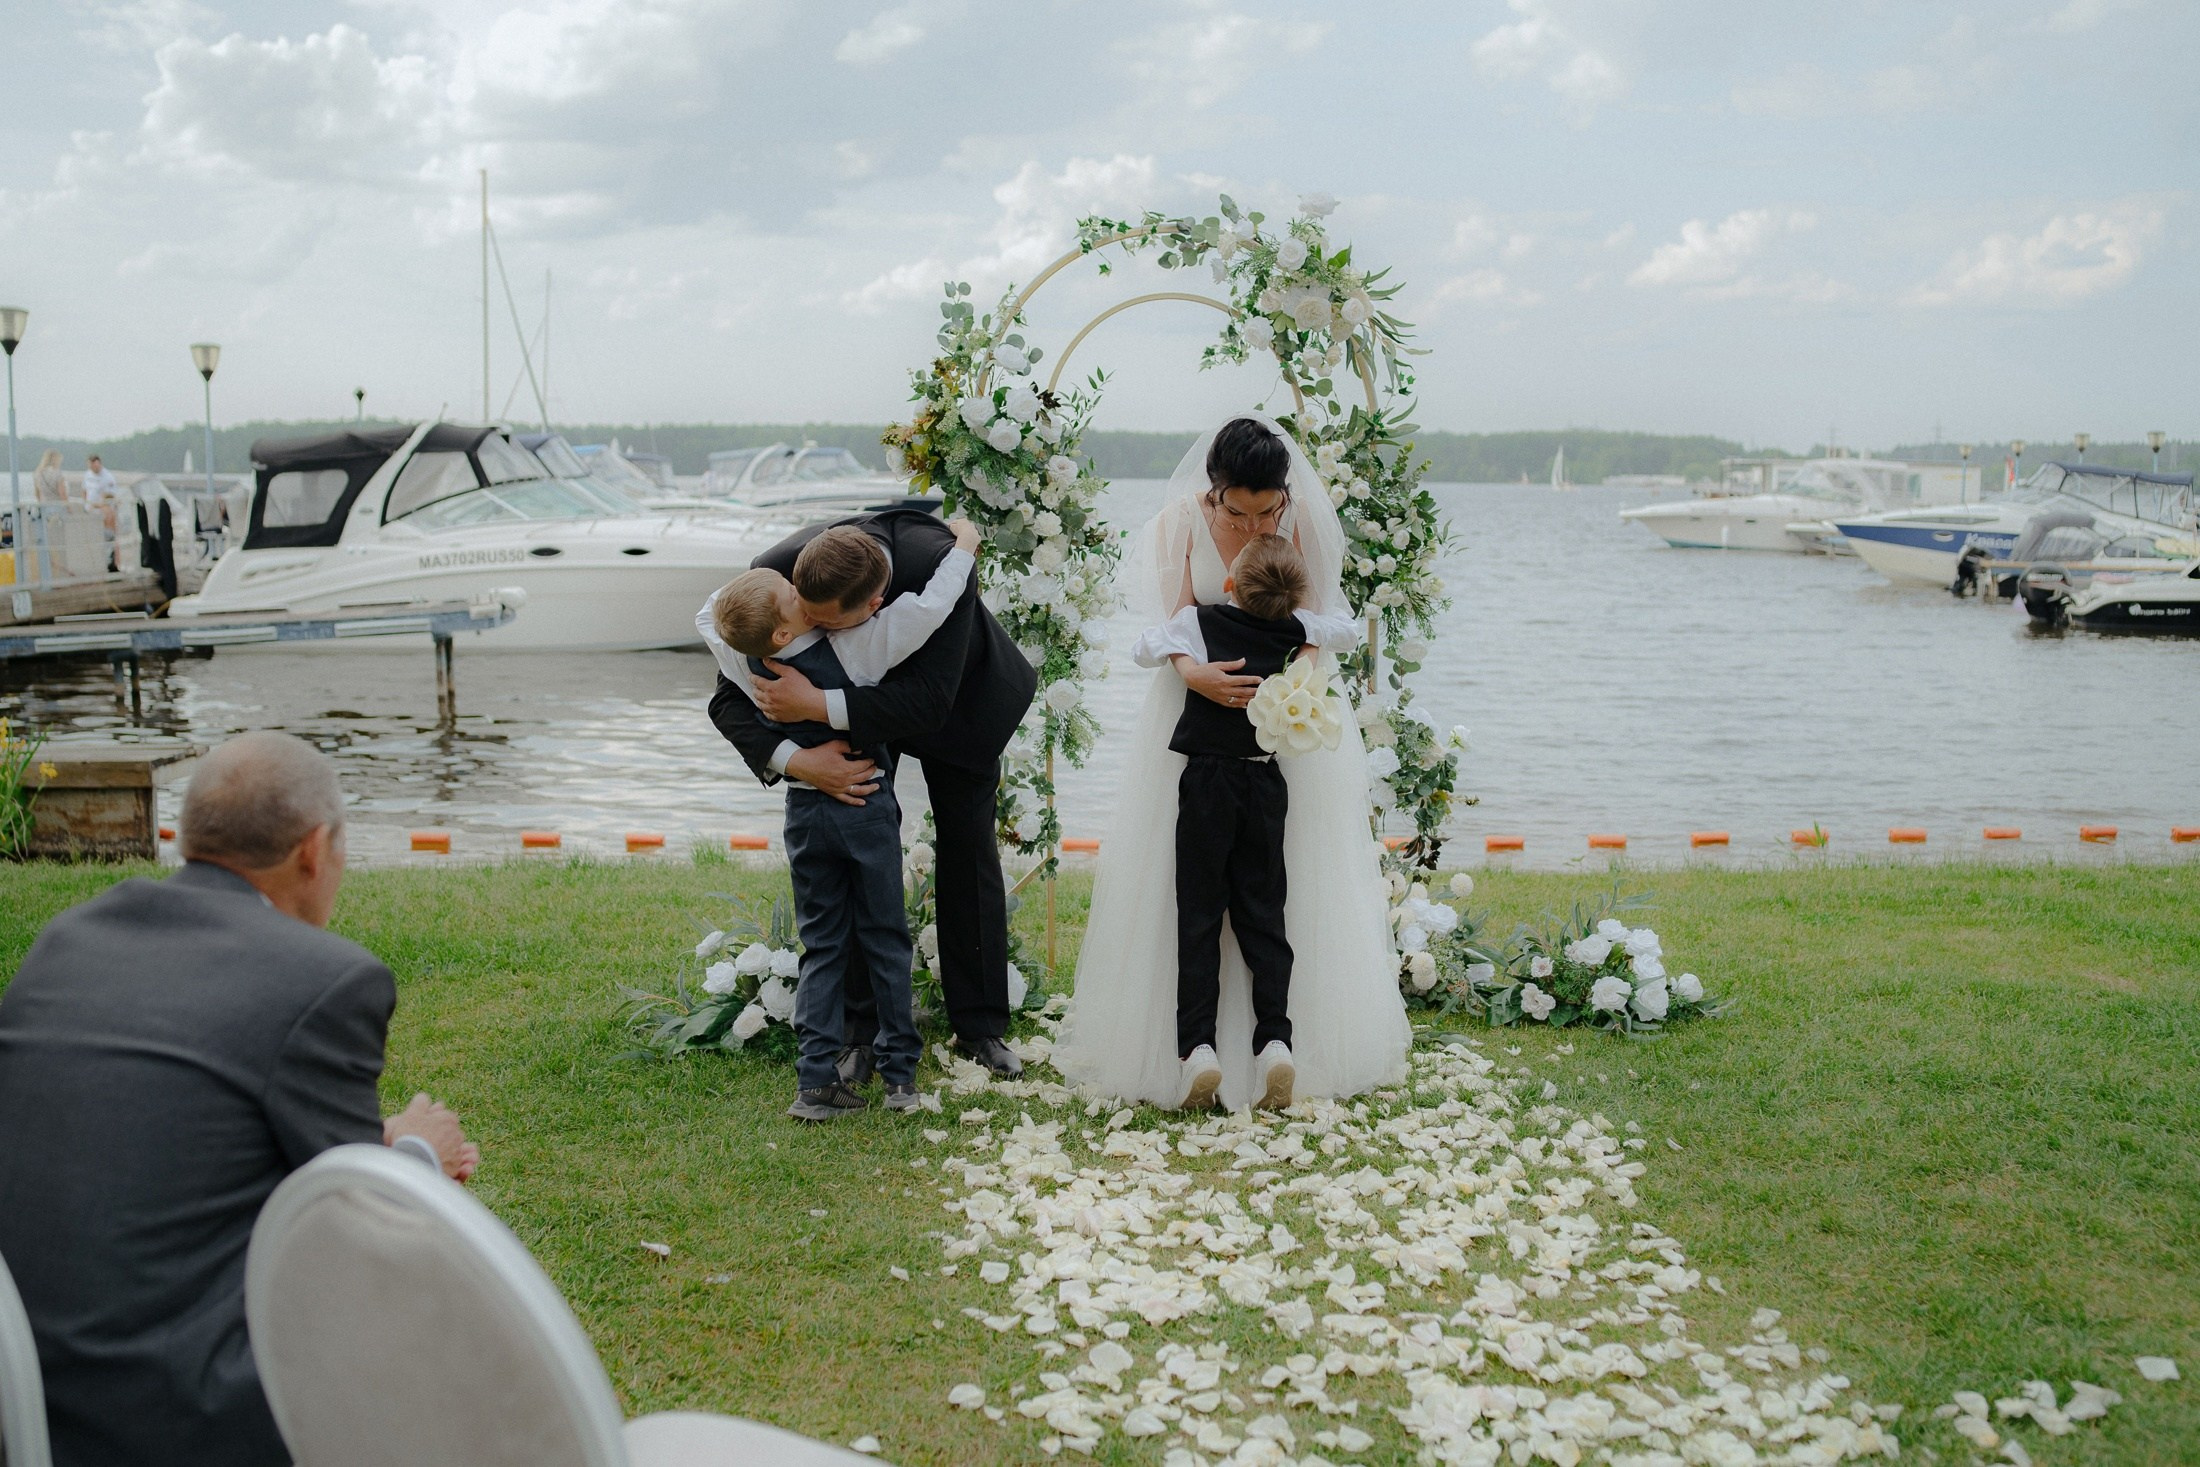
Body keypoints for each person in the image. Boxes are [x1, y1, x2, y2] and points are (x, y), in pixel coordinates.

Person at [0, 731, 480, 1467]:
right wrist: (416, 1155)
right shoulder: (324, 978)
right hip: (180, 1415)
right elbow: (355, 1237)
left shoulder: (68, 940)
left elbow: (160, 1129)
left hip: (24, 1388)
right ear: (314, 850)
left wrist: (368, 1145)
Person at [1053, 415, 1412, 1110]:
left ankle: (1273, 1045)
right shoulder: (1178, 524)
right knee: (1199, 892)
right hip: (1198, 713)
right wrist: (1195, 675)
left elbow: (1318, 622)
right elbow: (1171, 623)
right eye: (1237, 513)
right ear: (1213, 491)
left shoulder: (1302, 522)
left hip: (1283, 723)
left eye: (1266, 513)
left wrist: (1290, 684)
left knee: (1275, 889)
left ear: (1285, 496)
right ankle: (1202, 1048)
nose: (1253, 528)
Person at [707, 505, 1038, 1081]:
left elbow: (928, 701)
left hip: (960, 704)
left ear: (873, 606)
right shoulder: (774, 579)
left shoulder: (940, 566)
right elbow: (728, 700)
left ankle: (980, 1026)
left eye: (828, 625)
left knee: (967, 849)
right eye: (806, 619)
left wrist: (816, 704)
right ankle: (858, 1035)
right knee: (856, 858)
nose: (815, 632)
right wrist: (801, 762)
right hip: (847, 732)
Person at [1130, 533, 1361, 1110]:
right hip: (1264, 782)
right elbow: (1348, 631)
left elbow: (1143, 649)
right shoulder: (1297, 628)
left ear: (1229, 582)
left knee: (1199, 917)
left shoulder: (1198, 623)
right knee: (1264, 916)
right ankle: (1276, 1042)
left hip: (1207, 782)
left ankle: (1198, 1051)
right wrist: (1309, 638)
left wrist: (1186, 656)